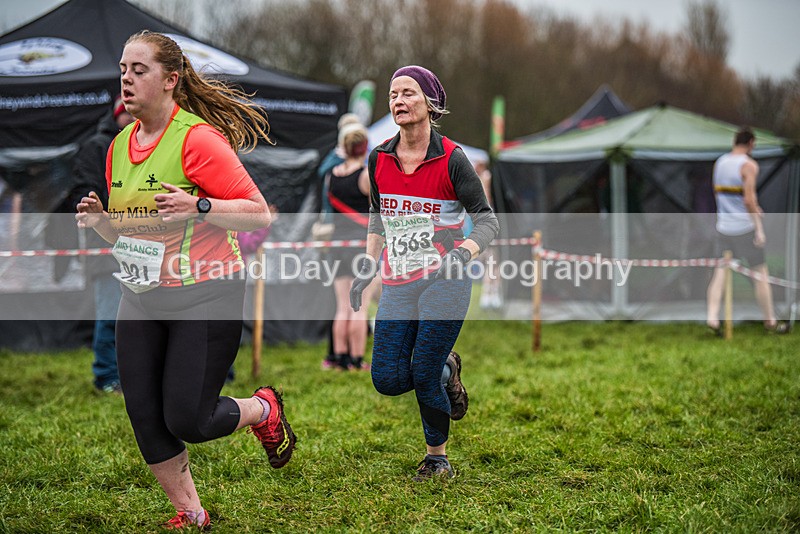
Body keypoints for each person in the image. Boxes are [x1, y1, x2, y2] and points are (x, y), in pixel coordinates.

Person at [75, 30, 296, 530]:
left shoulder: (198, 140)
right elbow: (129, 231)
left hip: (206, 293)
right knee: (144, 413)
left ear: (171, 80)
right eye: (123, 70)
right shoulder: (118, 147)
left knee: (189, 420)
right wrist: (101, 221)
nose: (126, 80)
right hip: (142, 293)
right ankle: (192, 513)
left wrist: (199, 205)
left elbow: (258, 214)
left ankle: (263, 409)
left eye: (139, 70)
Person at [350, 66, 499, 481]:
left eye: (408, 93)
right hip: (398, 282)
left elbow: (487, 221)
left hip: (445, 281)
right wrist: (367, 264)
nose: (398, 100)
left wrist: (463, 253)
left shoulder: (452, 159)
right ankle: (447, 369)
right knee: (387, 378)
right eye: (393, 94)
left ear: (430, 104)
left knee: (422, 370)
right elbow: (378, 218)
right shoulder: (378, 158)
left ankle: (437, 457)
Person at [69, 95, 134, 394]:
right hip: (105, 247)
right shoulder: (96, 146)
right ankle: (107, 376)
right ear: (119, 114)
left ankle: (131, 375)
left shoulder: (142, 144)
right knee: (110, 314)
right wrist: (109, 215)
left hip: (140, 244)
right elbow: (84, 194)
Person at [706, 127, 790, 336]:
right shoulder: (749, 165)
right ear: (751, 143)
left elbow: (725, 195)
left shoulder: (720, 163)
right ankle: (770, 321)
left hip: (723, 227)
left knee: (719, 273)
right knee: (760, 273)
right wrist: (759, 229)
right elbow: (748, 199)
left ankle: (712, 317)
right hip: (743, 228)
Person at [324, 122, 374, 371]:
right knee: (360, 305)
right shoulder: (365, 176)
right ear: (364, 148)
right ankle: (356, 360)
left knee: (341, 305)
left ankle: (339, 358)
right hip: (361, 247)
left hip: (337, 246)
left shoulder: (331, 175)